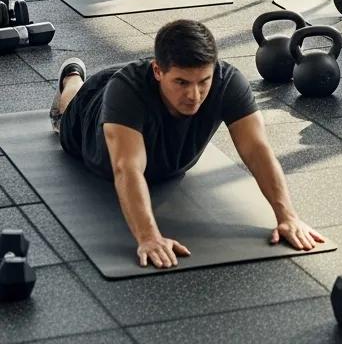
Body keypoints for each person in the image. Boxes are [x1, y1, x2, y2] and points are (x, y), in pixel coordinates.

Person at [49, 19, 323, 269]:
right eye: (182, 82)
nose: (194, 95)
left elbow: (257, 150)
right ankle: (72, 77)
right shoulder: (126, 94)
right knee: (68, 110)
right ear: (158, 70)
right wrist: (149, 237)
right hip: (95, 109)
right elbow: (127, 169)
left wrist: (287, 216)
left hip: (143, 106)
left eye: (203, 81)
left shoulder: (227, 82)